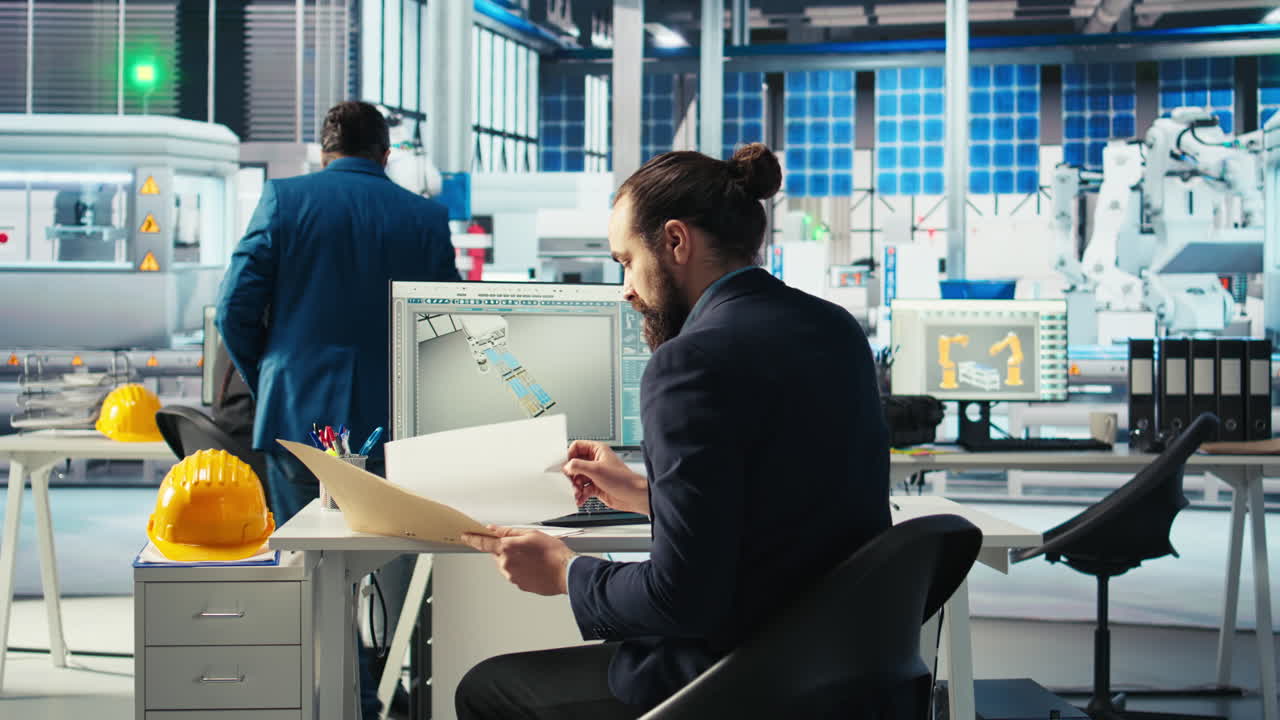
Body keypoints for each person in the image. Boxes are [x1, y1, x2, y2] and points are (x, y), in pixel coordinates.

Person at [457, 143, 890, 718]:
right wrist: (645, 494)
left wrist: (566, 571)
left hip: (743, 677)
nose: (627, 288)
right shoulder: (834, 328)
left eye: (626, 261)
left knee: (487, 688)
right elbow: (787, 509)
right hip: (842, 669)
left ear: (676, 241)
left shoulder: (690, 362)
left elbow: (683, 599)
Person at [216, 100, 460, 720]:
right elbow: (447, 326)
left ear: (323, 152)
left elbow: (232, 311)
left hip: (300, 416)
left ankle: (337, 698)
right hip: (396, 423)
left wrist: (273, 375)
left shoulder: (284, 200)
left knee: (310, 564)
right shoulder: (425, 217)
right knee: (394, 561)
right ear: (386, 155)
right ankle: (389, 684)